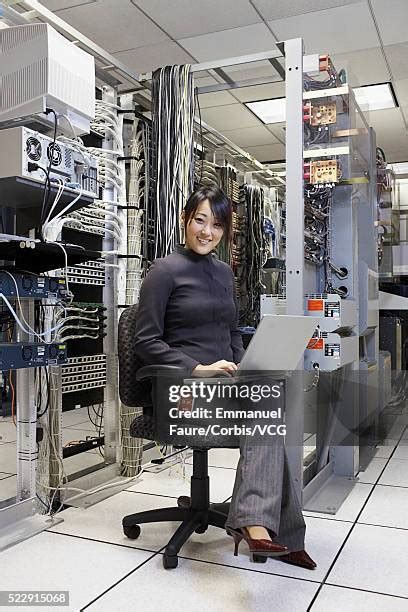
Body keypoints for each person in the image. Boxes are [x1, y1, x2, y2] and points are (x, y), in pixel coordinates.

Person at [134, 186, 316, 569]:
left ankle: (260, 526)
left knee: (276, 404)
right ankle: (267, 528)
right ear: (185, 220)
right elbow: (144, 341)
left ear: (225, 231)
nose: (207, 232)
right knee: (269, 414)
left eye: (216, 224)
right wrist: (197, 368)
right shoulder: (163, 272)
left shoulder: (222, 273)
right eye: (200, 220)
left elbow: (232, 332)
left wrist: (244, 367)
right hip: (178, 389)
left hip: (222, 385)